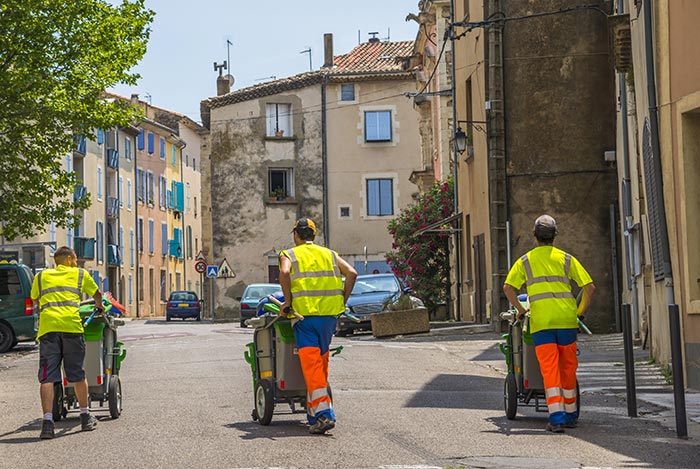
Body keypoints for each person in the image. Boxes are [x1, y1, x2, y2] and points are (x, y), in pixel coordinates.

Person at [503, 215, 595, 433]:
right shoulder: (566, 259)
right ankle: (571, 415)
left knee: (550, 370)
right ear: (555, 235)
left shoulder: (525, 261)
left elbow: (508, 287)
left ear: (535, 236)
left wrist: (521, 309)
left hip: (542, 323)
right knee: (568, 367)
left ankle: (556, 419)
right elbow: (590, 287)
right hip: (566, 321)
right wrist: (579, 313)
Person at [279, 217, 357, 434]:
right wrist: (343, 300)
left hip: (305, 317)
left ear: (296, 235)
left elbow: (285, 272)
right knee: (320, 364)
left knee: (312, 367)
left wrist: (287, 302)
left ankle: (324, 415)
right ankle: (313, 415)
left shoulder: (290, 254)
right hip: (329, 317)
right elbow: (352, 273)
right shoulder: (329, 254)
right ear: (313, 235)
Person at [32, 246, 104, 439]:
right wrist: (99, 307)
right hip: (72, 328)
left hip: (48, 330)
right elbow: (98, 295)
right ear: (72, 259)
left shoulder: (41, 277)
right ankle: (85, 416)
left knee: (47, 377)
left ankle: (47, 423)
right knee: (78, 374)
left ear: (56, 260)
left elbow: (36, 300)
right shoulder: (80, 274)